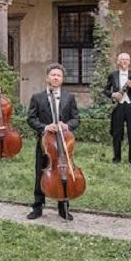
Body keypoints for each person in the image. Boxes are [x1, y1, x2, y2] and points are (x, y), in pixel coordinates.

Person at [26, 63, 80, 221]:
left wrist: (67, 125)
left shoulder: (69, 97)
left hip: (64, 143)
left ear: (62, 79)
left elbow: (76, 119)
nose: (56, 77)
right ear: (47, 77)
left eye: (59, 75)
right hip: (45, 143)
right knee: (40, 173)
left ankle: (63, 207)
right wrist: (45, 127)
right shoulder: (37, 97)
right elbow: (31, 119)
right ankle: (38, 207)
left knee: (64, 173)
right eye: (53, 75)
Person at [103, 52, 131, 165]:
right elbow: (105, 90)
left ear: (129, 62)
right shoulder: (113, 75)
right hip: (118, 107)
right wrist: (113, 94)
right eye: (122, 59)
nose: (124, 61)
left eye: (127, 59)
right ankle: (116, 159)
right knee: (117, 133)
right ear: (118, 62)